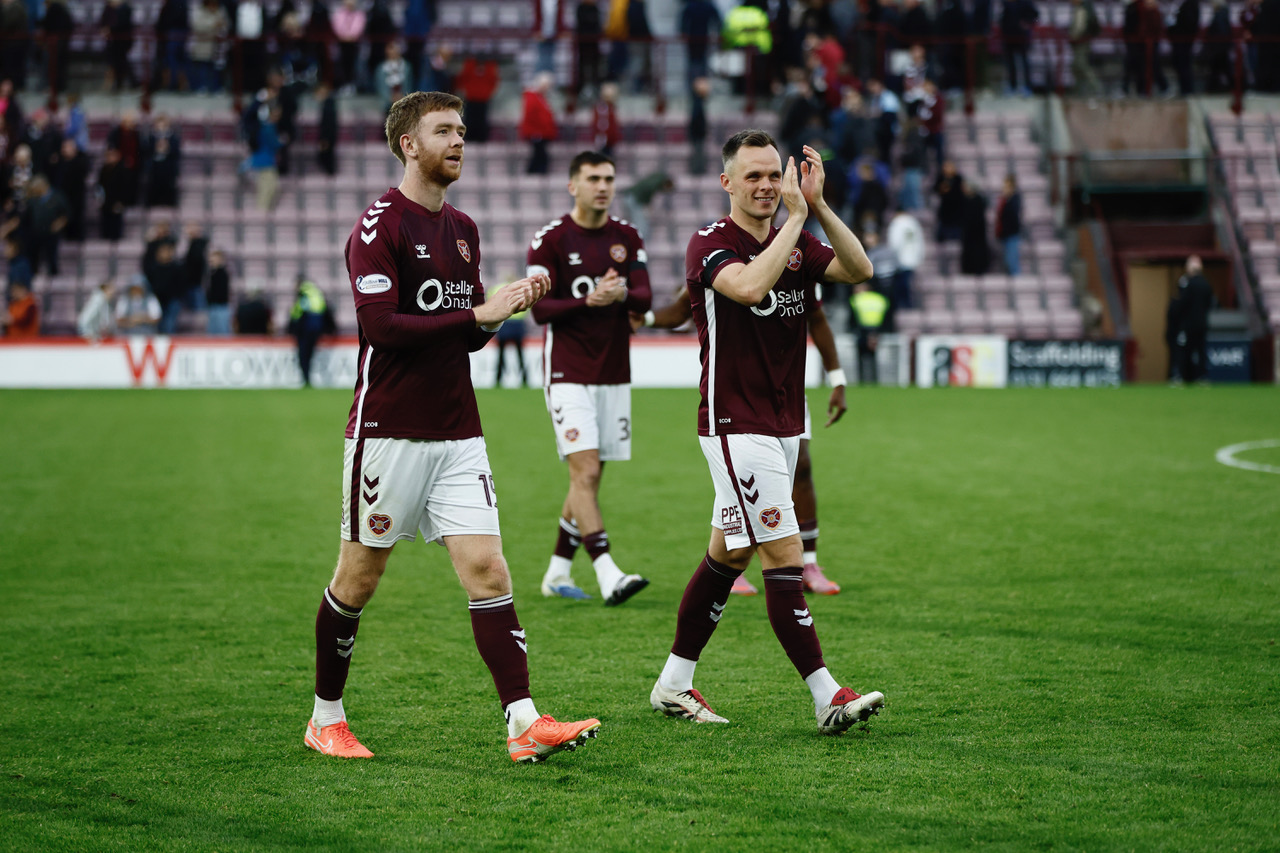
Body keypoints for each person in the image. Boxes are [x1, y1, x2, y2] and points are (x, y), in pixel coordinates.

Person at [306, 90, 601, 764]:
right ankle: (326, 717)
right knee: (358, 580)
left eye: (462, 130)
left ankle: (523, 721)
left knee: (488, 569)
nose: (458, 141)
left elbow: (464, 340)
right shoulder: (377, 227)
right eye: (444, 131)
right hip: (387, 431)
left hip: (458, 433)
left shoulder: (463, 229)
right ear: (409, 143)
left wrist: (498, 314)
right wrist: (477, 316)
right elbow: (382, 328)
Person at [647, 130, 883, 732]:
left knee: (727, 556)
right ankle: (826, 696)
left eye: (772, 175)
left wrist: (820, 207)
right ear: (726, 183)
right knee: (786, 554)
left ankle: (673, 684)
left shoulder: (800, 240)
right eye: (751, 176)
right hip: (734, 424)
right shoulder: (710, 243)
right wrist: (793, 228)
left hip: (783, 424)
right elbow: (750, 288)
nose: (765, 186)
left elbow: (861, 268)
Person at [637, 286, 849, 597]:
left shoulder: (799, 257)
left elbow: (816, 317)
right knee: (739, 475)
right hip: (736, 392)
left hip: (785, 387)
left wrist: (838, 379)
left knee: (801, 468)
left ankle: (809, 563)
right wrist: (644, 317)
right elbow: (682, 307)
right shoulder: (720, 252)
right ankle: (734, 566)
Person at [526, 150, 654, 605]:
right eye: (593, 178)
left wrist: (619, 297)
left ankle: (557, 572)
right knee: (587, 471)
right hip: (567, 372)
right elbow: (540, 309)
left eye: (609, 178)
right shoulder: (550, 241)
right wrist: (591, 302)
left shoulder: (627, 236)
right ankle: (607, 571)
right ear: (572, 186)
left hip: (614, 373)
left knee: (589, 480)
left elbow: (644, 293)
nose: (603, 186)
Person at [1176, 255, 1214, 384]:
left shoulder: (1189, 284)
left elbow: (1182, 304)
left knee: (1186, 351)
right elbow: (1210, 303)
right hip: (1203, 324)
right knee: (1201, 351)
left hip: (1189, 324)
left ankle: (1184, 377)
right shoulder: (1206, 284)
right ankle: (1202, 376)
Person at [289, 274, 327, 386]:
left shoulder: (303, 292)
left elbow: (299, 310)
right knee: (309, 354)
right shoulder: (315, 291)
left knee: (303, 354)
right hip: (317, 326)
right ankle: (307, 378)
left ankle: (306, 379)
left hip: (306, 325)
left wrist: (292, 325)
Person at [519, 72, 557, 175]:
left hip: (541, 132)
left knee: (539, 154)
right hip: (537, 132)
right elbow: (532, 116)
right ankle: (535, 171)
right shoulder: (533, 98)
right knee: (540, 154)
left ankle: (534, 171)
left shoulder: (539, 97)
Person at [850, 280, 888, 385]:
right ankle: (874, 380)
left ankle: (861, 380)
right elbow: (886, 318)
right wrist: (875, 334)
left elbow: (852, 320)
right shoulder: (880, 299)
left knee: (860, 358)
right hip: (876, 331)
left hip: (862, 331)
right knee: (874, 358)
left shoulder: (856, 299)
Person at [491, 281, 528, 387]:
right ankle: (525, 379)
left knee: (501, 354)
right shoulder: (521, 289)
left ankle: (498, 379)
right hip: (517, 325)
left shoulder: (497, 288)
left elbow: (492, 304)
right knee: (520, 355)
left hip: (504, 323)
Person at [618, 170, 673, 239]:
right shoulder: (653, 184)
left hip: (630, 197)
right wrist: (647, 205)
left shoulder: (654, 180)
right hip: (633, 199)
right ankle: (638, 243)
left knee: (636, 223)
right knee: (642, 224)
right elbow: (645, 194)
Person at [1068, 0, 1102, 97]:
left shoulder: (1083, 9)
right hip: (1081, 41)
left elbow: (1079, 28)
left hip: (1082, 42)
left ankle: (1095, 88)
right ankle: (1079, 90)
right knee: (1076, 66)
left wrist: (1073, 36)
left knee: (1081, 64)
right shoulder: (1082, 8)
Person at [995, 174, 1022, 276]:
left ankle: (1018, 283)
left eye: (1006, 187)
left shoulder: (1014, 200)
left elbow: (1012, 217)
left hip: (1012, 234)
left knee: (1012, 261)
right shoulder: (1005, 201)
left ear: (1012, 188)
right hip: (1006, 234)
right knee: (1008, 261)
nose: (1004, 189)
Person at [206, 248, 232, 335]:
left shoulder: (223, 273)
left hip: (221, 306)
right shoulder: (211, 273)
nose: (212, 261)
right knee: (212, 332)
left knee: (223, 331)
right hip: (213, 306)